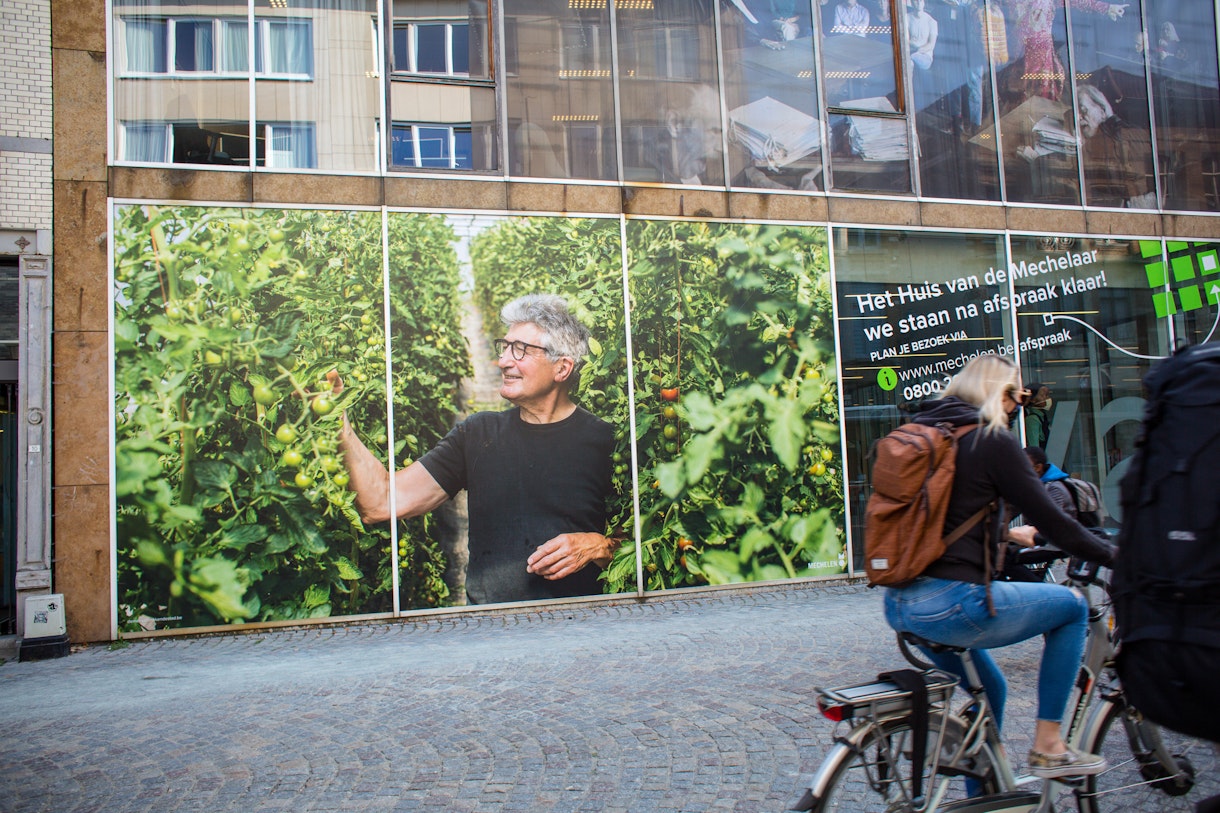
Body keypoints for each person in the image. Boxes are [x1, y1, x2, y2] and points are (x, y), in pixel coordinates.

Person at [882, 354, 1116, 779]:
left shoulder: (931, 433)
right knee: (1073, 608)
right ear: (1001, 394)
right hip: (954, 603)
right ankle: (1049, 744)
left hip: (901, 604)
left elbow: (946, 519)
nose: (1016, 408)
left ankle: (990, 799)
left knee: (992, 692)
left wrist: (1008, 536)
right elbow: (1053, 520)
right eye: (1017, 397)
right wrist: (1116, 555)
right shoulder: (991, 438)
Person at [334, 294, 618, 605]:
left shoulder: (605, 442)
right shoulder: (479, 434)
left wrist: (600, 545)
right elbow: (382, 502)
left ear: (562, 368)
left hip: (581, 628)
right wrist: (337, 418)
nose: (504, 361)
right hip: (490, 633)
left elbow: (648, 542)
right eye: (505, 347)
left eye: (521, 350)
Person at [1022, 446, 1076, 519]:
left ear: (1038, 467)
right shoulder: (1031, 486)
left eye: (1023, 466)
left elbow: (1052, 521)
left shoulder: (1055, 488)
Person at [1022, 381, 1051, 448]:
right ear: (1032, 400)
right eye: (1042, 395)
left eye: (1047, 395)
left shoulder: (1042, 416)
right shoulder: (1032, 419)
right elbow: (1034, 447)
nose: (1047, 398)